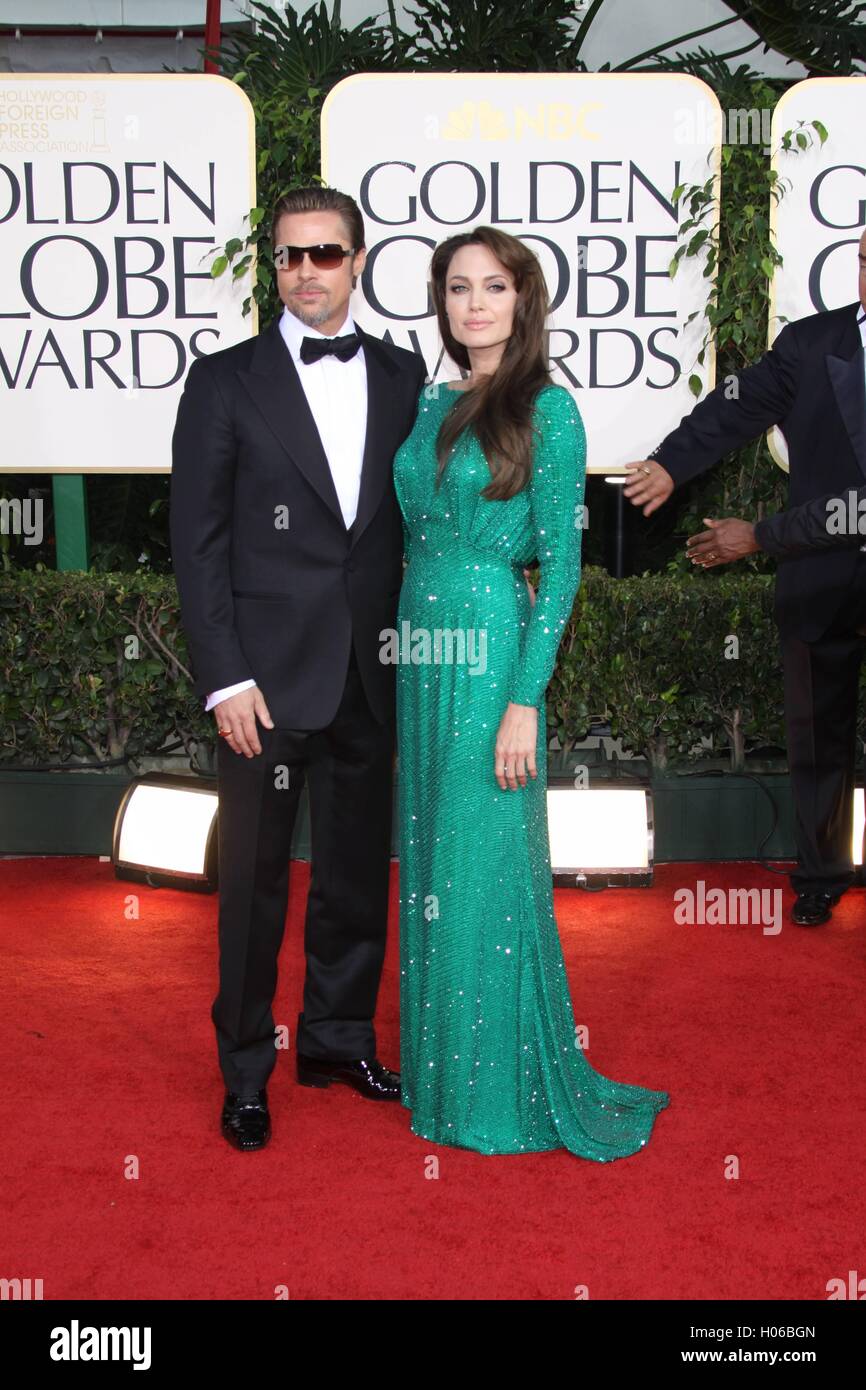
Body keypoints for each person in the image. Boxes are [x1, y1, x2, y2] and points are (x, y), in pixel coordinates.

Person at [392, 226, 669, 1160]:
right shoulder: (430, 401)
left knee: (480, 865)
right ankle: (440, 1078)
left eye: (494, 288)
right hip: (423, 655)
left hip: (488, 663)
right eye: (459, 287)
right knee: (431, 861)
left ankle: (493, 1093)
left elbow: (562, 567)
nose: (475, 303)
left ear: (523, 301)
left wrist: (524, 699)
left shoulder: (550, 411)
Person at [170, 186, 426, 1150]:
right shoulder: (224, 381)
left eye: (326, 253)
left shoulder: (406, 377)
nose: (308, 271)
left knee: (358, 873)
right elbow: (196, 544)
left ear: (358, 260)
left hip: (373, 668)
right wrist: (224, 677)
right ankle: (245, 1069)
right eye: (289, 257)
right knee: (253, 888)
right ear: (271, 267)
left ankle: (334, 1039)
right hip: (263, 687)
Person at [623, 231, 866, 928]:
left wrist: (759, 535)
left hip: (801, 543)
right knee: (816, 731)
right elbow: (736, 408)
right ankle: (820, 873)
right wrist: (672, 464)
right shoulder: (813, 344)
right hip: (821, 573)